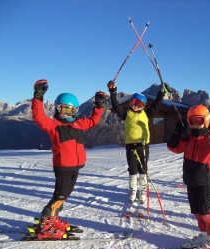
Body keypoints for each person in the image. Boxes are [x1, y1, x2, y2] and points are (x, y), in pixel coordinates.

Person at [31, 79, 105, 239]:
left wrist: (99, 106)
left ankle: (53, 219)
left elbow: (93, 120)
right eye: (63, 109)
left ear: (75, 112)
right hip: (63, 167)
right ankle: (46, 224)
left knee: (64, 196)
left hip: (75, 167)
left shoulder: (79, 124)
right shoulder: (53, 125)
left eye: (70, 111)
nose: (66, 113)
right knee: (59, 196)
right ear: (57, 109)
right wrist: (38, 96)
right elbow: (38, 117)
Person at [167, 105, 210, 249]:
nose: (196, 124)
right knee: (196, 212)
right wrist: (177, 130)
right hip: (191, 180)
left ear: (207, 121)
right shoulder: (188, 138)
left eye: (199, 121)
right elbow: (173, 147)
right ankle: (205, 236)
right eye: (192, 121)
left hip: (205, 181)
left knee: (205, 213)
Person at [108, 80, 168, 204]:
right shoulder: (126, 113)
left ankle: (142, 192)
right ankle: (133, 191)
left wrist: (162, 93)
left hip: (144, 146)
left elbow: (156, 105)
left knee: (143, 170)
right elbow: (115, 105)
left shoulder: (146, 114)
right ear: (130, 103)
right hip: (131, 146)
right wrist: (113, 91)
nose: (136, 106)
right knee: (132, 170)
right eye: (135, 103)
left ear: (144, 106)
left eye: (140, 104)